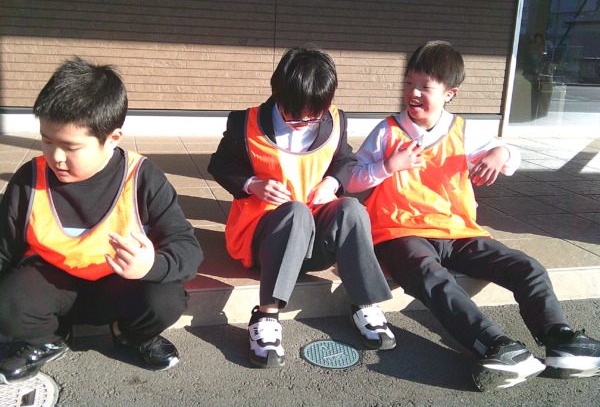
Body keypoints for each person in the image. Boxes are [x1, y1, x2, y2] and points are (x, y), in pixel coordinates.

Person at [348, 41, 600, 391]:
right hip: (399, 231)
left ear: (449, 94)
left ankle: (560, 338)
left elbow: (510, 155)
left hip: (458, 230)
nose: (413, 93)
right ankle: (496, 345)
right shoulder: (387, 130)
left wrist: (500, 153)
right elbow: (353, 179)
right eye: (409, 83)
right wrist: (388, 166)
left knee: (526, 267)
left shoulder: (461, 130)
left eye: (425, 87)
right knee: (431, 276)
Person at [0, 58, 203, 384]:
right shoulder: (30, 178)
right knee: (8, 300)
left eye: (71, 147)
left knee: (165, 298)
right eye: (47, 141)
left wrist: (150, 265)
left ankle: (131, 335)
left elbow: (187, 249)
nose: (56, 157)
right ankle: (47, 340)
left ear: (112, 137)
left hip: (119, 287)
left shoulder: (142, 177)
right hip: (51, 287)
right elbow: (4, 247)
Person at [208, 46, 395, 368]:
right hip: (263, 241)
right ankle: (266, 316)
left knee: (351, 208)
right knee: (294, 211)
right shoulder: (244, 121)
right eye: (294, 115)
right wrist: (253, 184)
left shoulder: (335, 119)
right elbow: (220, 164)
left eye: (314, 115)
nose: (304, 122)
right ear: (277, 92)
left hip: (313, 244)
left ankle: (365, 304)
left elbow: (346, 160)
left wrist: (332, 183)